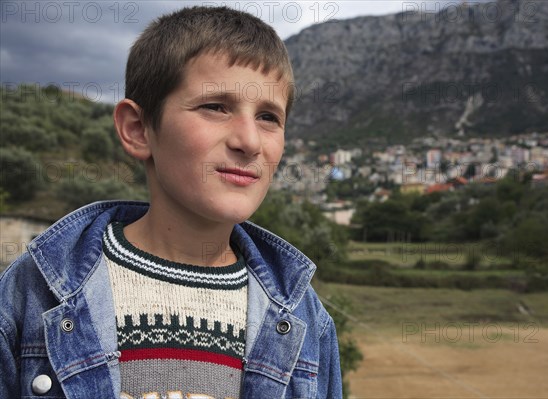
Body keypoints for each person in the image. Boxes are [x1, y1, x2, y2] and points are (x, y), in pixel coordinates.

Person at [0, 6, 342, 399]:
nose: (249, 141)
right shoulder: (33, 291)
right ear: (138, 130)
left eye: (268, 117)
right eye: (215, 107)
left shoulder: (307, 319)